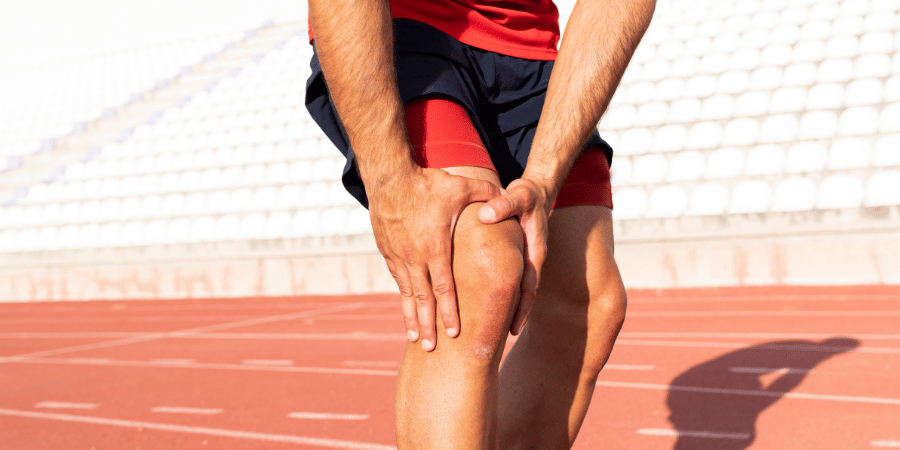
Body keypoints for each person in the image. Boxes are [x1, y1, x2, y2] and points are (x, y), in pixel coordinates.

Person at [305, 0, 654, 447]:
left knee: (589, 302)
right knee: (478, 268)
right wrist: (389, 182)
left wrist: (544, 180)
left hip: (529, 49)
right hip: (407, 28)